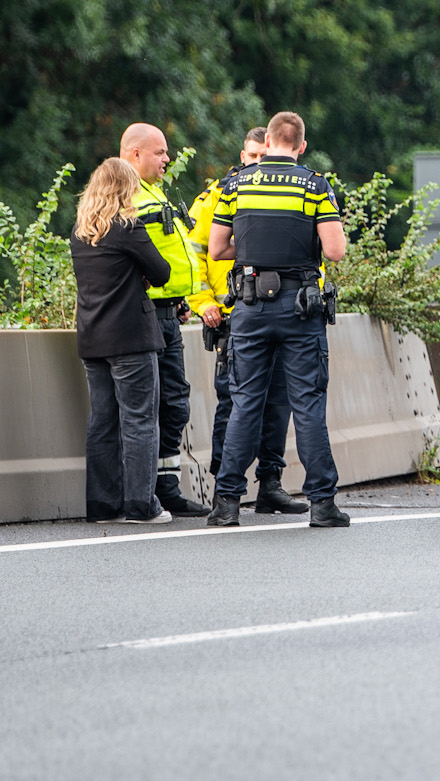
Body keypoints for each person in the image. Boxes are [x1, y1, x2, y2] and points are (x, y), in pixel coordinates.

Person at [205, 112, 350, 529]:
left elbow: (217, 249)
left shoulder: (236, 184)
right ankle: (323, 505)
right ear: (301, 145)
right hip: (299, 308)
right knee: (306, 404)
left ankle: (227, 504)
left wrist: (252, 252)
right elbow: (335, 251)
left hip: (249, 307)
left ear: (266, 141)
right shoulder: (314, 186)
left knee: (245, 402)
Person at [187, 127, 304, 515]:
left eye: (262, 155)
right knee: (234, 404)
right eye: (251, 157)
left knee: (278, 403)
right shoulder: (216, 198)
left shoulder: (284, 191)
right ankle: (225, 487)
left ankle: (270, 483)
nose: (258, 163)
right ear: (243, 155)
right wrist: (203, 302)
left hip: (273, 311)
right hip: (230, 314)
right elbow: (193, 257)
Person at [70, 158, 174, 525]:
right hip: (130, 337)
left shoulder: (80, 232)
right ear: (125, 188)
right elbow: (162, 272)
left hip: (93, 338)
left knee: (102, 421)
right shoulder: (128, 226)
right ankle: (141, 505)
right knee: (140, 420)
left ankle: (102, 506)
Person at [120, 122, 211, 517]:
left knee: (174, 401)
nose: (167, 158)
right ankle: (148, 492)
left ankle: (167, 486)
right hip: (144, 316)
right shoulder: (123, 197)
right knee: (151, 406)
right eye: (160, 152)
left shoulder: (153, 190)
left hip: (169, 310)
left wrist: (180, 297)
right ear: (135, 155)